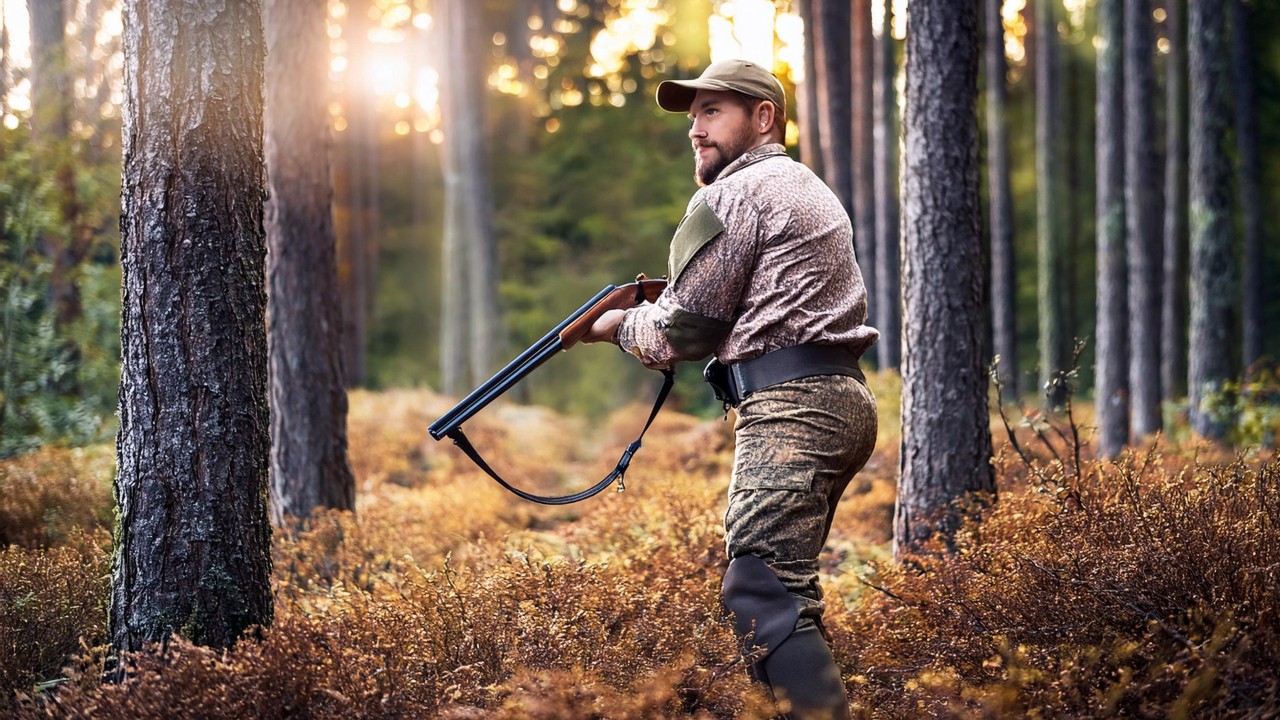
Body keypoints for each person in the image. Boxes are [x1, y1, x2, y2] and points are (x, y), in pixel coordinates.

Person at [582, 59, 879, 719]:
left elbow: (681, 333)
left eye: (713, 111)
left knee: (758, 589)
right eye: (694, 116)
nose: (695, 129)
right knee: (784, 589)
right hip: (837, 400)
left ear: (763, 117)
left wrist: (611, 326)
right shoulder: (802, 184)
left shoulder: (732, 194)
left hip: (793, 407)